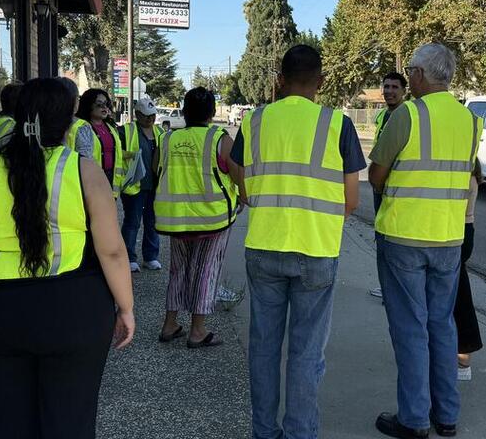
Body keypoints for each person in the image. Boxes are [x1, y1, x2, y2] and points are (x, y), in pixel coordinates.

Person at [0, 77, 135, 438]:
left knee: (9, 414)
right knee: (70, 418)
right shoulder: (82, 169)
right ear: (68, 121)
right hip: (72, 310)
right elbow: (111, 250)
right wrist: (125, 308)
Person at [229, 45, 365, 439]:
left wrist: (254, 195)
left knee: (264, 348)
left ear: (280, 81)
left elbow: (238, 172)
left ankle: (263, 432)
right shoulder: (337, 124)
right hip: (316, 251)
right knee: (306, 353)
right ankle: (299, 433)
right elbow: (352, 200)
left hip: (264, 245)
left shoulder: (255, 121)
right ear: (321, 83)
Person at [368, 43, 483, 438]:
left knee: (410, 329)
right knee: (443, 326)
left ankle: (414, 419)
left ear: (417, 75)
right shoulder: (471, 121)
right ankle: (446, 415)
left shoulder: (407, 116)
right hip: (449, 239)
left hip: (403, 236)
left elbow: (377, 175)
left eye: (411, 71)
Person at [153, 87, 244, 348]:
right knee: (206, 270)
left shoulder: (168, 138)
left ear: (184, 111)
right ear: (213, 113)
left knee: (178, 270)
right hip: (211, 219)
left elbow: (155, 168)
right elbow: (238, 174)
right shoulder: (220, 139)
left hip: (175, 218)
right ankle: (198, 330)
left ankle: (169, 324)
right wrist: (244, 197)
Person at [370, 71, 407, 298]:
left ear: (404, 91)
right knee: (381, 238)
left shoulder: (406, 116)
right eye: (386, 87)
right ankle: (386, 287)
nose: (389, 91)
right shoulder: (383, 116)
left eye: (395, 87)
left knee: (394, 242)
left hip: (397, 189)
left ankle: (393, 290)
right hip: (379, 187)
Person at [120, 97, 164, 272]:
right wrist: (129, 155)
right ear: (137, 114)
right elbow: (115, 151)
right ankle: (129, 257)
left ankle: (151, 256)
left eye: (152, 115)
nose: (150, 119)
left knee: (152, 221)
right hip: (134, 185)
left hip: (155, 185)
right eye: (146, 116)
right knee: (133, 221)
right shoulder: (126, 131)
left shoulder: (160, 131)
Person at [455, 164, 484, 381]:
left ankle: (463, 357)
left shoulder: (462, 172)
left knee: (458, 296)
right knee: (459, 291)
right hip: (466, 230)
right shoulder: (473, 171)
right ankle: (462, 356)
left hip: (456, 230)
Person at [75, 88, 125, 194]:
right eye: (99, 104)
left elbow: (114, 152)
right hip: (92, 179)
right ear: (89, 105)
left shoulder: (110, 127)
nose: (104, 107)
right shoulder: (83, 128)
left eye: (106, 104)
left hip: (111, 180)